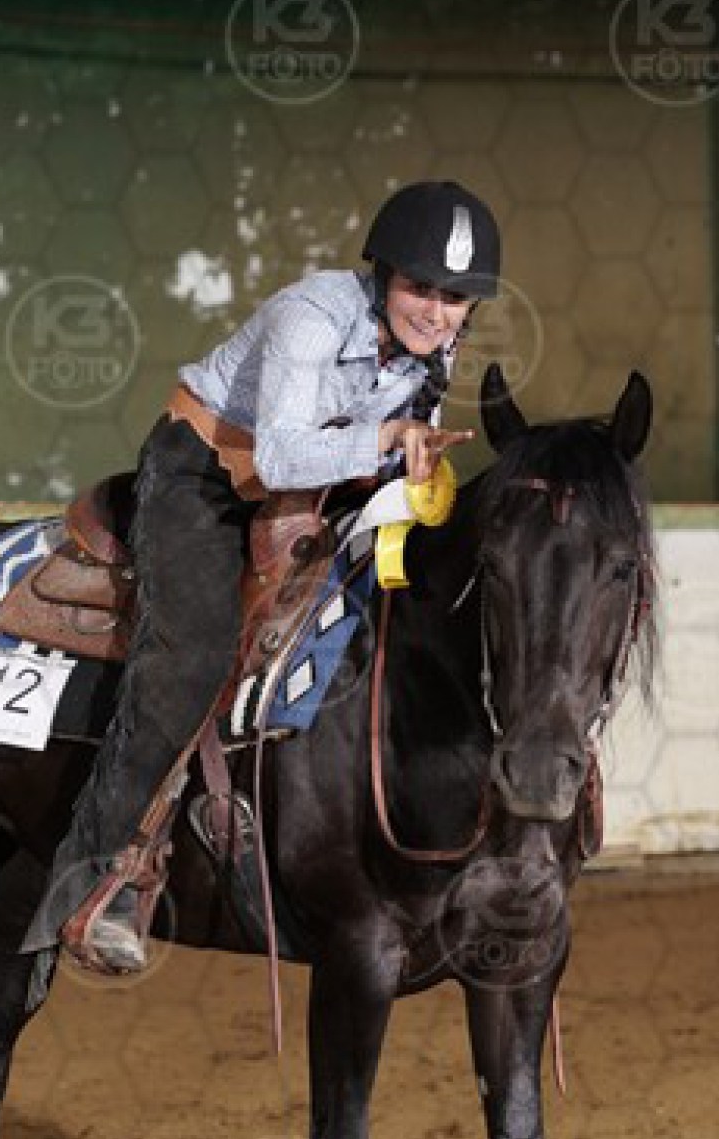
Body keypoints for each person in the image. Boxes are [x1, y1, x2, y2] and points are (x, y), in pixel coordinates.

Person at [27, 180, 500, 974]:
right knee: (194, 650)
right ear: (384, 273)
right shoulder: (310, 316)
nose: (436, 312)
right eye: (422, 288)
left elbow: (372, 449)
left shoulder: (433, 347)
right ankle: (93, 877)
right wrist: (387, 438)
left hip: (327, 485)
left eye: (455, 299)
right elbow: (277, 456)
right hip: (208, 472)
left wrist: (407, 467)